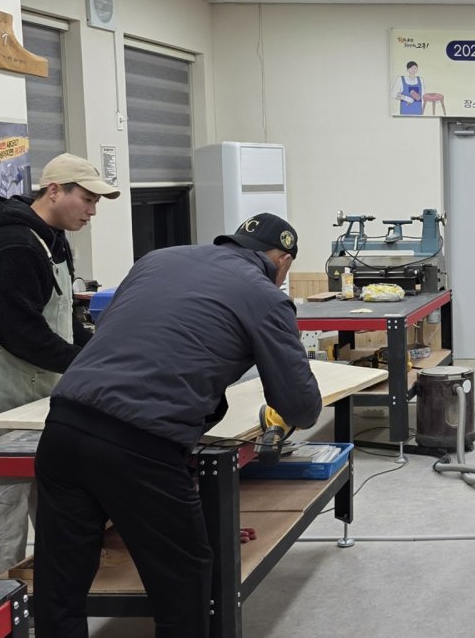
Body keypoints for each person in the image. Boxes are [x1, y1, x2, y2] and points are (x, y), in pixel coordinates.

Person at [33, 213, 324, 637]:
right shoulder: (265, 295)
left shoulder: (157, 260)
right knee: (182, 579)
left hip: (63, 427)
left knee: (61, 582)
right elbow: (300, 407)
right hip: (140, 445)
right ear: (281, 260)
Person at [0, 153, 118, 576]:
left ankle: (51, 596)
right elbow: (22, 333)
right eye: (86, 199)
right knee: (4, 508)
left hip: (43, 388)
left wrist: (103, 352)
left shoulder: (52, 240)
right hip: (3, 392)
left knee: (54, 499)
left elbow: (64, 317)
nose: (92, 210)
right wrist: (86, 366)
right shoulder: (12, 245)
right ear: (53, 191)